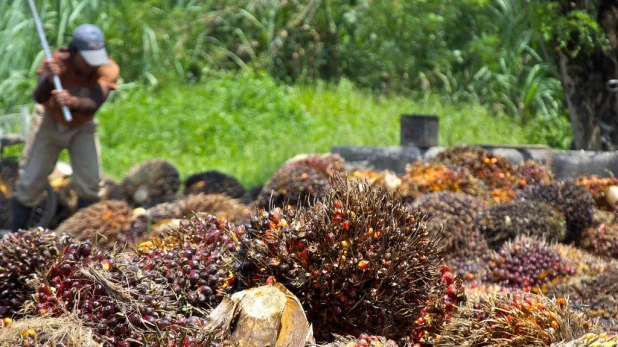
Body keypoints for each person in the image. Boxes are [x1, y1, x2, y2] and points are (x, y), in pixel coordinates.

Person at [11, 24, 120, 232]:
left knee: (91, 186)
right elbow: (39, 97)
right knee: (29, 183)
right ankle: (16, 238)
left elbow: (93, 104)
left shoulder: (107, 69)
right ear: (74, 53)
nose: (91, 65)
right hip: (49, 121)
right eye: (87, 59)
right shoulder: (56, 63)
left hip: (82, 126)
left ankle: (83, 238)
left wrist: (72, 102)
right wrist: (50, 80)